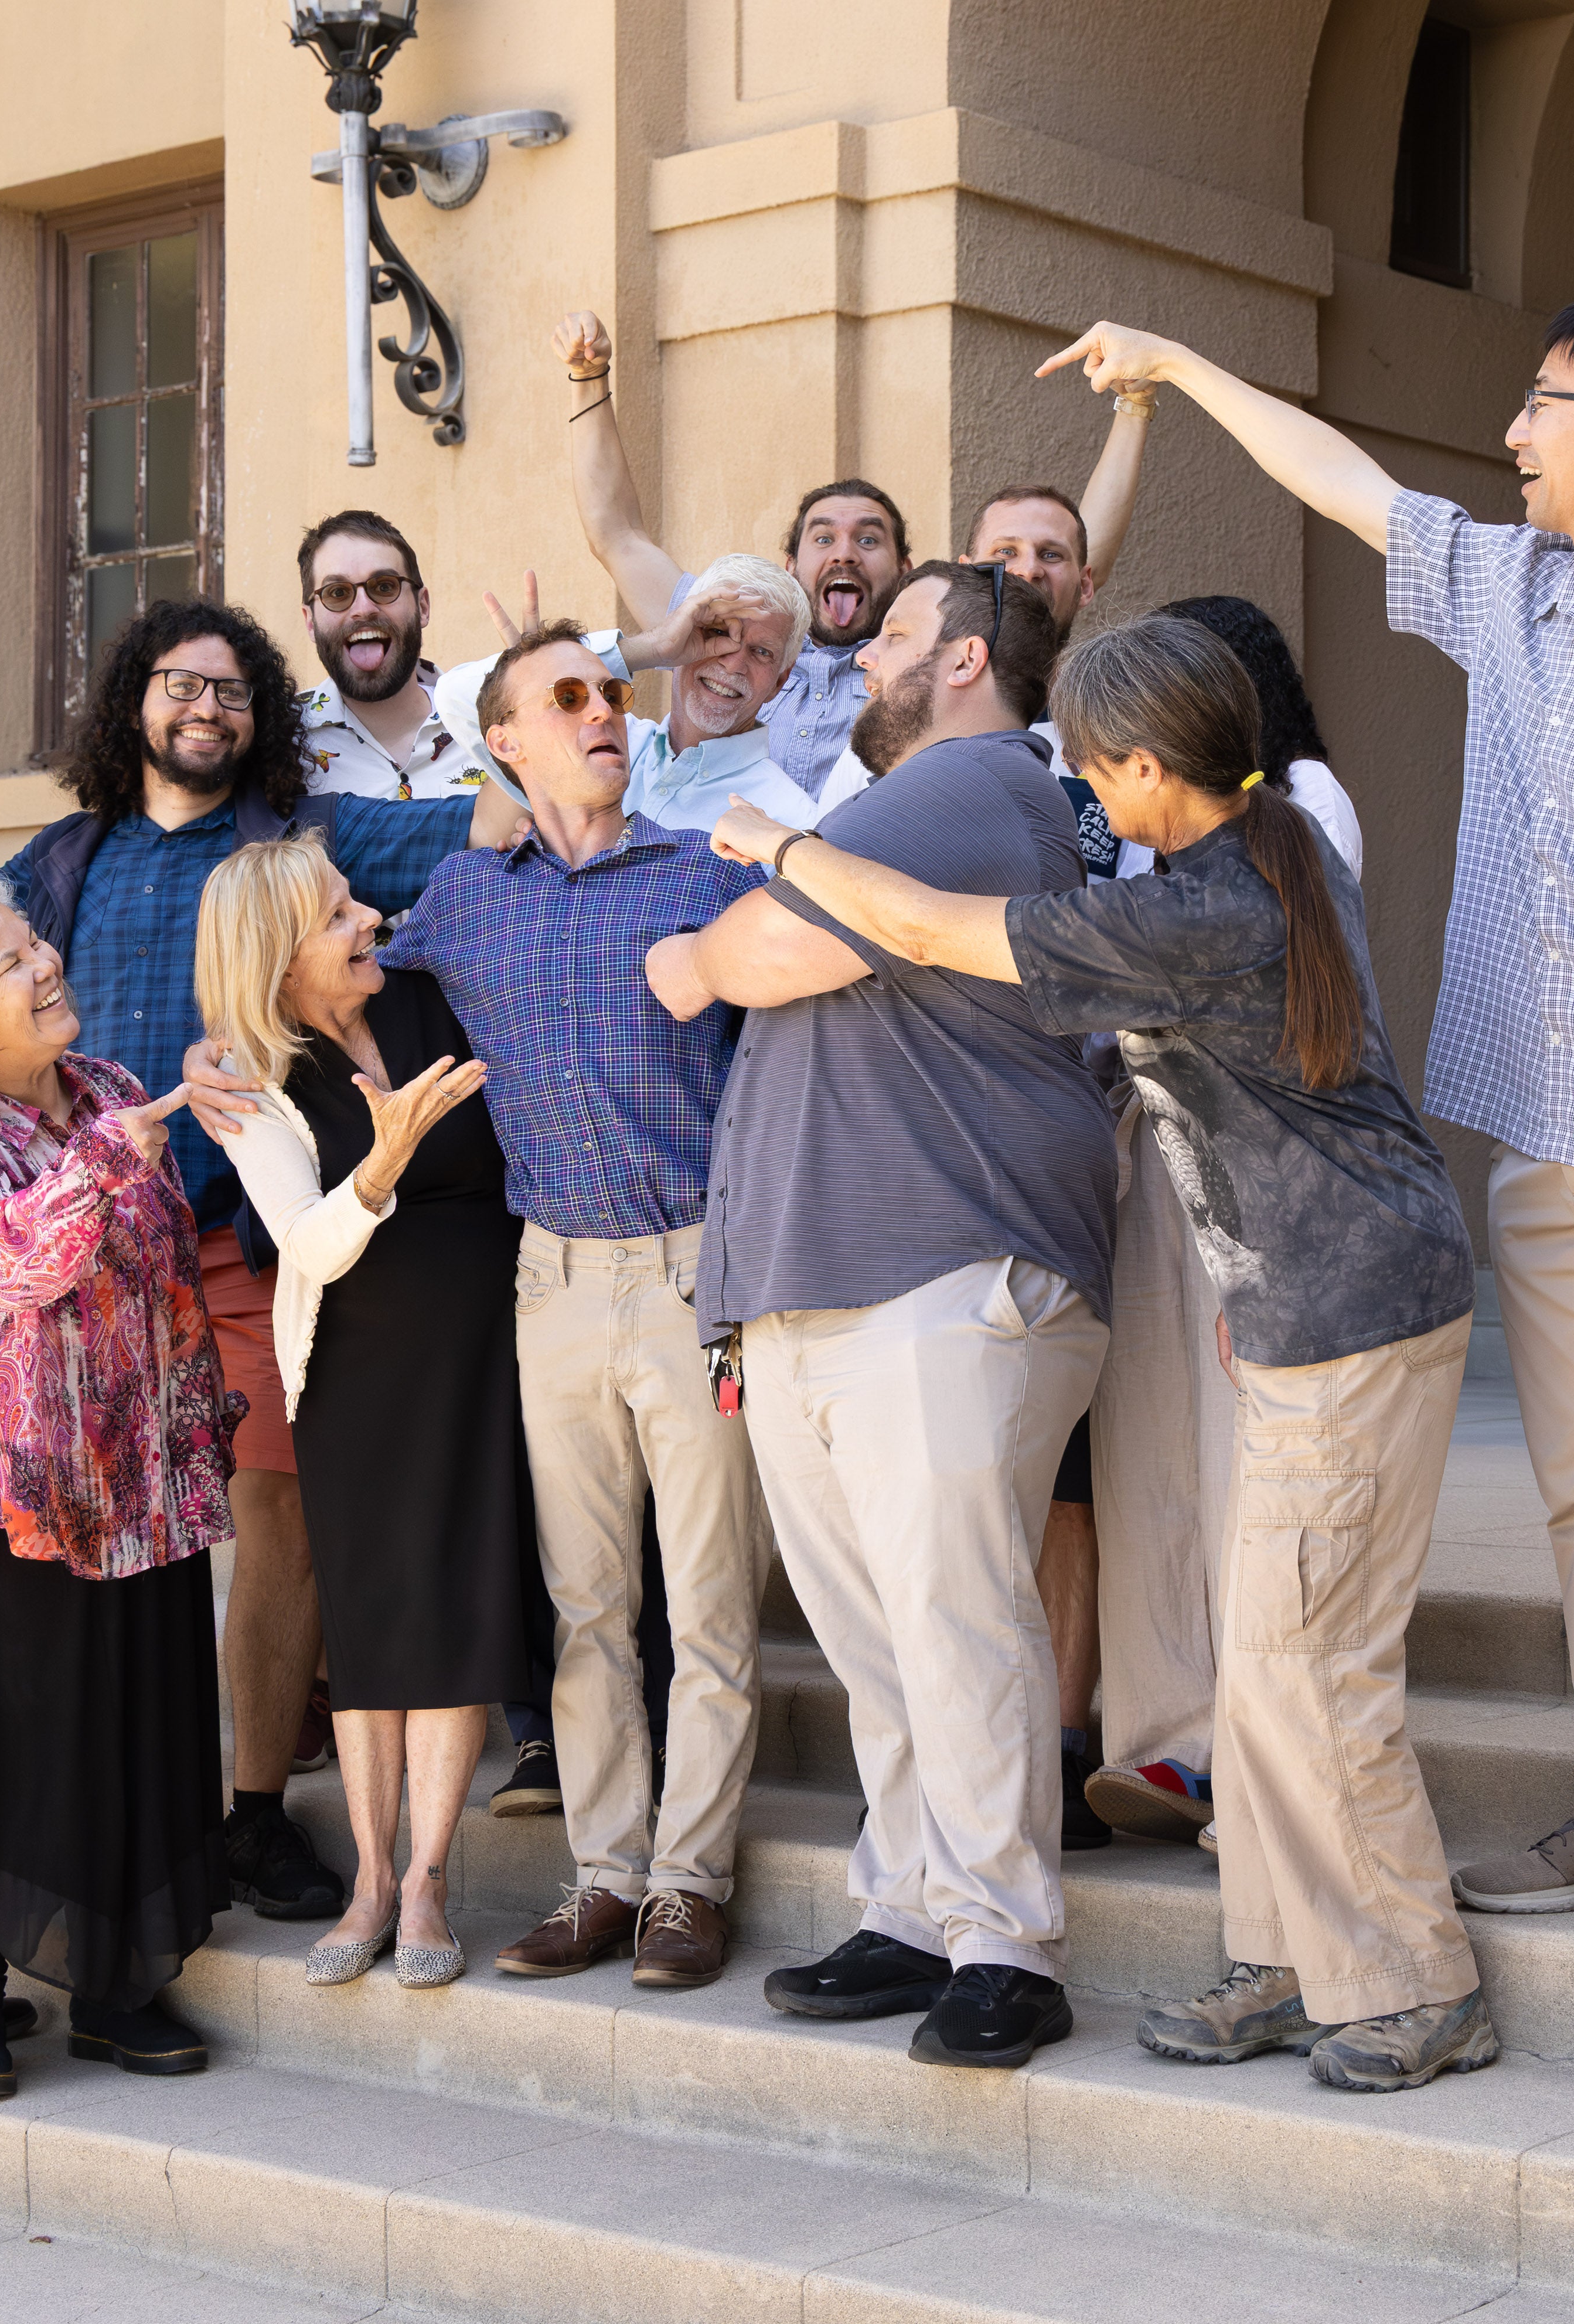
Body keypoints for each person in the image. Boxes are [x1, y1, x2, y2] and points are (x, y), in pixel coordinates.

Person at [1042, 290, 1574, 1953]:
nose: (1511, 434)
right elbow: (1341, 483)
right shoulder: (1506, 593)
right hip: (1536, 1117)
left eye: (1540, 405)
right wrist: (1182, 369)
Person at [711, 612, 1497, 2092]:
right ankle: (1285, 1953)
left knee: (1311, 1668)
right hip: (1305, 1308)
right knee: (1258, 1672)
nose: (1070, 782)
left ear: (1145, 767)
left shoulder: (1197, 911)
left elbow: (941, 932)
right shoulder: (1256, 850)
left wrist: (781, 845)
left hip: (1354, 1317)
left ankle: (1414, 1979)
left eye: (1085, 759)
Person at [0, 602, 521, 1924]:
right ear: (131, 706)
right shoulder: (61, 858)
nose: (205, 709)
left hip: (250, 1228)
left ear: (264, 714)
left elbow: (491, 827)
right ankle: (13, 1847)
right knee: (68, 1551)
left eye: (231, 691)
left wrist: (502, 686)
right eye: (179, 685)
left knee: (277, 1524)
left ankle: (252, 1811)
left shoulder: (305, 836)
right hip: (73, 1259)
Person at [645, 561, 1113, 2071]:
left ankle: (1003, 1939)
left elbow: (782, 948)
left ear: (965, 656)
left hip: (945, 1263)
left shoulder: (976, 780)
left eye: (895, 634)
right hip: (816, 1279)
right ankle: (913, 1903)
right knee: (874, 1632)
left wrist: (699, 954)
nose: (864, 664)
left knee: (955, 1615)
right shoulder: (880, 810)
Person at [380, 622, 775, 1991]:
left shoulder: (699, 874)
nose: (606, 712)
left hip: (694, 1275)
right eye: (569, 697)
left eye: (612, 691)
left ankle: (689, 1884)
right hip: (547, 1281)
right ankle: (607, 1874)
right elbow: (327, 944)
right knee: (586, 1600)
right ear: (507, 742)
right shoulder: (464, 895)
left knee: (713, 1600)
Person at [0, 877, 234, 2098]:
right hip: (5, 1494)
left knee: (130, 1714)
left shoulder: (120, 1093)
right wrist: (94, 1164)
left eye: (36, 944)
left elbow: (166, 1268)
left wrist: (196, 1428)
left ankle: (119, 1983)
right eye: (9, 962)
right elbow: (19, 1262)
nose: (44, 966)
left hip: (135, 1475)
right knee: (3, 1735)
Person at [193, 835, 527, 1991]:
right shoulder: (245, 1078)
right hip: (355, 1364)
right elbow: (312, 1245)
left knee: (453, 1606)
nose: (368, 917)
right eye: (338, 913)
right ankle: (370, 1880)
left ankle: (428, 1877)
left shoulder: (432, 992)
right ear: (278, 955)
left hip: (481, 1351)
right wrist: (381, 1163)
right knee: (375, 1615)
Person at [1081, 597, 1364, 1854]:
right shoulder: (1121, 814)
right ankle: (1165, 1737)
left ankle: (1252, 1749)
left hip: (1245, 1158)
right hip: (1143, 1150)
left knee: (1237, 1458)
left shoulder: (1305, 805)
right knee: (1147, 1456)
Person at [557, 305, 1156, 795]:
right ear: (790, 567)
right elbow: (617, 534)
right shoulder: (722, 630)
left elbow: (1056, 572)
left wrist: (1133, 408)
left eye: (868, 538)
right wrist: (589, 380)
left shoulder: (924, 662)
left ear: (907, 570)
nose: (844, 553)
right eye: (823, 537)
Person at [431, 554, 833, 834]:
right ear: (684, 631)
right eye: (718, 633)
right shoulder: (592, 746)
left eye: (761, 652)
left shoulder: (790, 819)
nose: (732, 663)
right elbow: (456, 696)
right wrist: (651, 649)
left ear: (781, 682)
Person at [293, 509, 488, 800]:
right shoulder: (281, 740)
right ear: (310, 621)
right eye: (337, 593)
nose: (363, 609)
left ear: (422, 606)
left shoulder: (491, 720)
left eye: (385, 587)